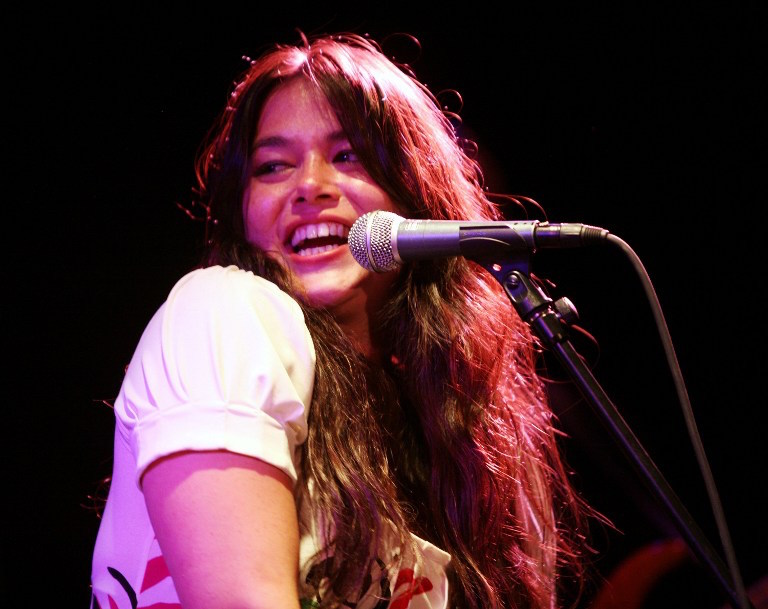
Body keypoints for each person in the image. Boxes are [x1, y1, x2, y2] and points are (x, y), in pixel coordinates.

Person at [89, 30, 601, 609]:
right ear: (242, 212)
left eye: (348, 156)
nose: (310, 186)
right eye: (273, 166)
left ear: (415, 193)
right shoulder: (224, 314)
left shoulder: (470, 428)